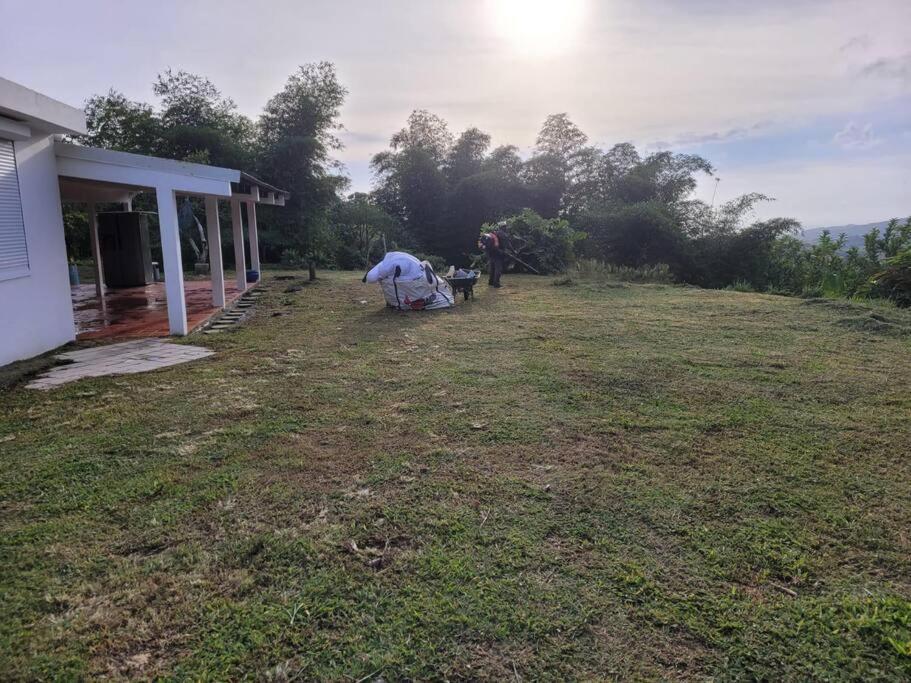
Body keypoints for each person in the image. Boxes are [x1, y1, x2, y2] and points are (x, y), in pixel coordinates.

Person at [479, 223, 509, 288]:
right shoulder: (503, 234)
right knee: (498, 268)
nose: (506, 228)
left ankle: (491, 282)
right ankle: (496, 283)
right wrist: (505, 252)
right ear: (504, 227)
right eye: (506, 227)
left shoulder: (495, 233)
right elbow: (506, 245)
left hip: (490, 252)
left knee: (492, 267)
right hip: (497, 253)